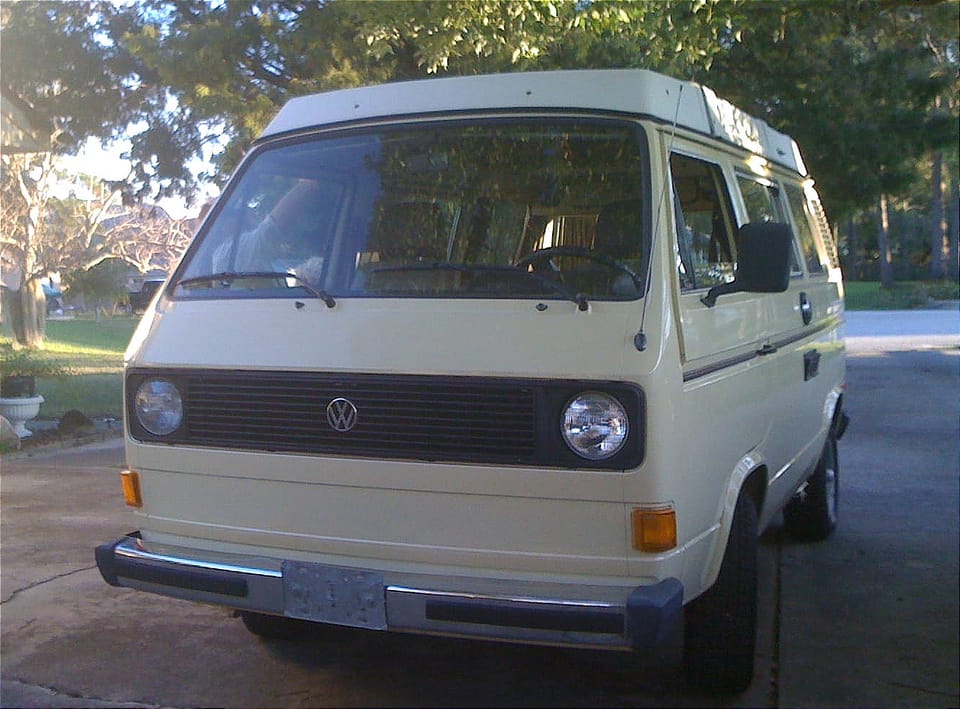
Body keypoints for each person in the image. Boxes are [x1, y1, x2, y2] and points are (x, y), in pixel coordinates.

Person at [211, 180, 325, 283]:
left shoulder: (264, 254)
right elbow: (271, 229)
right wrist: (307, 185)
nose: (252, 214)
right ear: (225, 223)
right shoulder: (228, 253)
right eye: (242, 213)